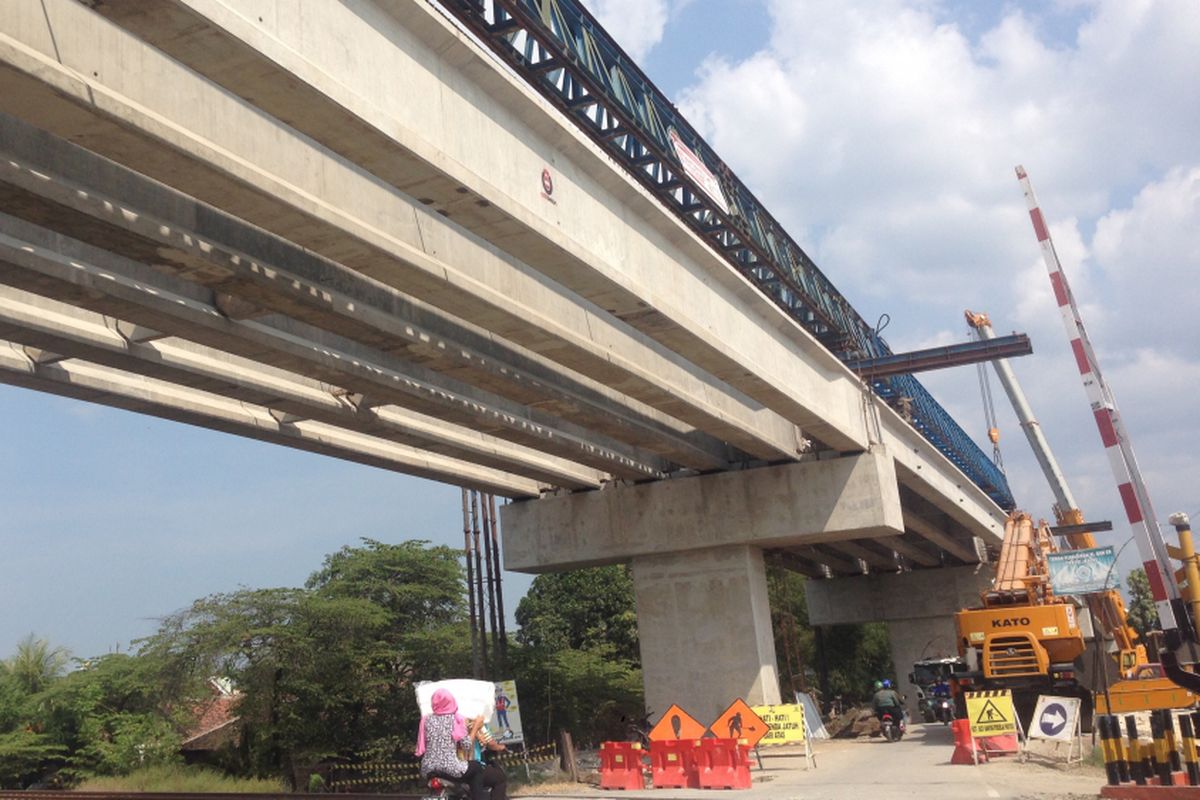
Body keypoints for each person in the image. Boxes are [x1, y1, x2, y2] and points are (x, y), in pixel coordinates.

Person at [416, 688, 507, 800]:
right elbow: (467, 745)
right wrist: (476, 727)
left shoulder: (426, 719)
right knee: (477, 768)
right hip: (450, 767)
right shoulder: (456, 719)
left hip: (427, 768)